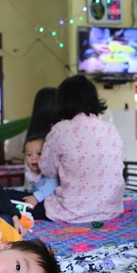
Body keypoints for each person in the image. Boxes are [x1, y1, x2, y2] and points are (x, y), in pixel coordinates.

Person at [30, 75, 125, 223]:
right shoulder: (111, 129)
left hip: (71, 211)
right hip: (111, 210)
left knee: (7, 197)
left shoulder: (60, 130)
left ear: (63, 101)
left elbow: (47, 170)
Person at [9, 133, 59, 208]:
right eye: (29, 155)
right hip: (38, 201)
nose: (33, 158)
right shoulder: (33, 173)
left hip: (49, 205)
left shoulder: (49, 171)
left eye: (39, 153)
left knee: (11, 198)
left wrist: (36, 197)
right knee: (8, 193)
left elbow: (52, 186)